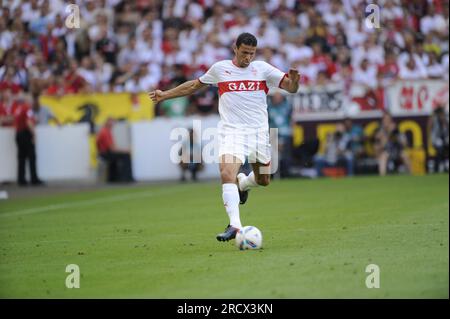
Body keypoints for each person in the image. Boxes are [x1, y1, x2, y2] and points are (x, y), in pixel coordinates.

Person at [149, 33, 300, 242]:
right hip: (232, 133)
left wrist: (295, 82)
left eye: (252, 53)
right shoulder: (220, 69)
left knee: (264, 180)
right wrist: (165, 94)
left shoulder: (263, 69)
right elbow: (194, 85)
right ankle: (235, 226)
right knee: (226, 172)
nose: (248, 57)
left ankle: (244, 184)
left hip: (259, 134)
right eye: (245, 52)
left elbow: (290, 88)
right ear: (235, 48)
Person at [96, 118, 134, 183]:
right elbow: (111, 148)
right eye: (111, 123)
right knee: (126, 156)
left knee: (121, 155)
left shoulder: (106, 131)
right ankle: (126, 178)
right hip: (105, 153)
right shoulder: (105, 132)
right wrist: (124, 150)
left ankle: (113, 178)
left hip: (105, 152)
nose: (113, 124)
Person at [428, 106, 449, 172]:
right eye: (440, 114)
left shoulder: (446, 119)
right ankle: (438, 166)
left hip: (445, 138)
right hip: (436, 139)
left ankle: (445, 164)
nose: (442, 116)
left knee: (445, 148)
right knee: (440, 149)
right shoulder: (434, 119)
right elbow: (429, 125)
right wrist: (434, 114)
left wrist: (444, 122)